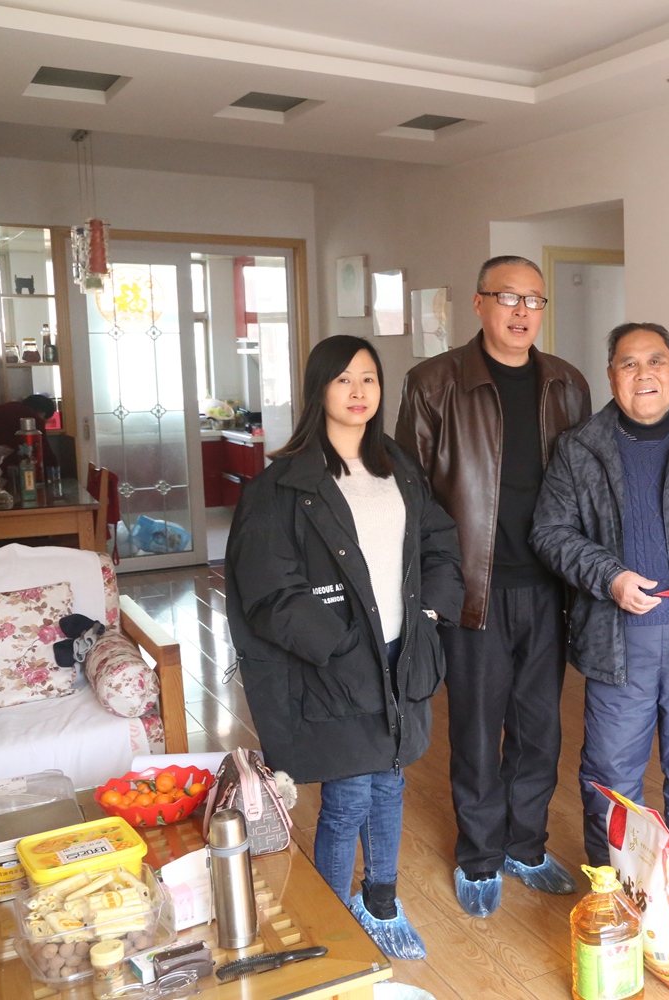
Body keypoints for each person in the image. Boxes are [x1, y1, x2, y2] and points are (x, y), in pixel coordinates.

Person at [226, 335, 464, 961]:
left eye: (369, 379)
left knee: (390, 781)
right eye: (344, 380)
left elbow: (439, 543)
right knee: (349, 795)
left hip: (400, 652)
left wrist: (431, 613)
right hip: (333, 661)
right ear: (319, 390)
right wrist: (339, 643)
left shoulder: (398, 468)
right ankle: (329, 930)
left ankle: (380, 904)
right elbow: (268, 589)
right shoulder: (283, 485)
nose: (359, 392)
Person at [531, 322, 669, 921]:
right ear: (612, 376)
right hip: (617, 638)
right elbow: (550, 532)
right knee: (611, 769)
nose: (644, 375)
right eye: (629, 364)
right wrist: (609, 576)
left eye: (655, 361)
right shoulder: (581, 447)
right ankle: (613, 875)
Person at [395, 255, 592, 917]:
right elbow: (411, 494)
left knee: (541, 729)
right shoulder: (434, 382)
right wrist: (429, 588)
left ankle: (525, 846)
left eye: (534, 300)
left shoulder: (566, 383)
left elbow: (588, 485)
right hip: (473, 587)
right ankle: (479, 856)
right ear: (478, 304)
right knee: (478, 728)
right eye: (508, 297)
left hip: (549, 585)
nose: (521, 312)